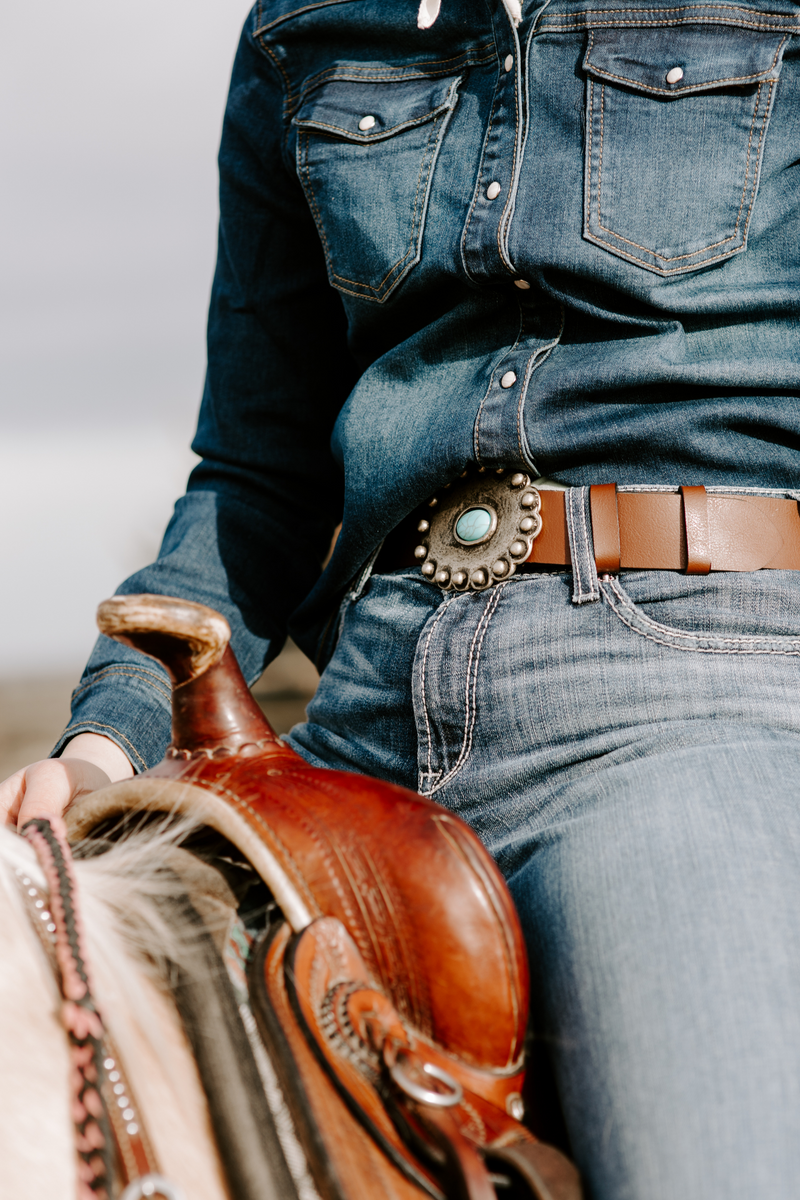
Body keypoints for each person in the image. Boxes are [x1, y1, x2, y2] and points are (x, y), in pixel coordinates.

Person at [4, 0, 800, 1194]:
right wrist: (107, 739)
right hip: (360, 711)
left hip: (682, 690)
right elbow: (253, 478)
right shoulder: (300, 27)